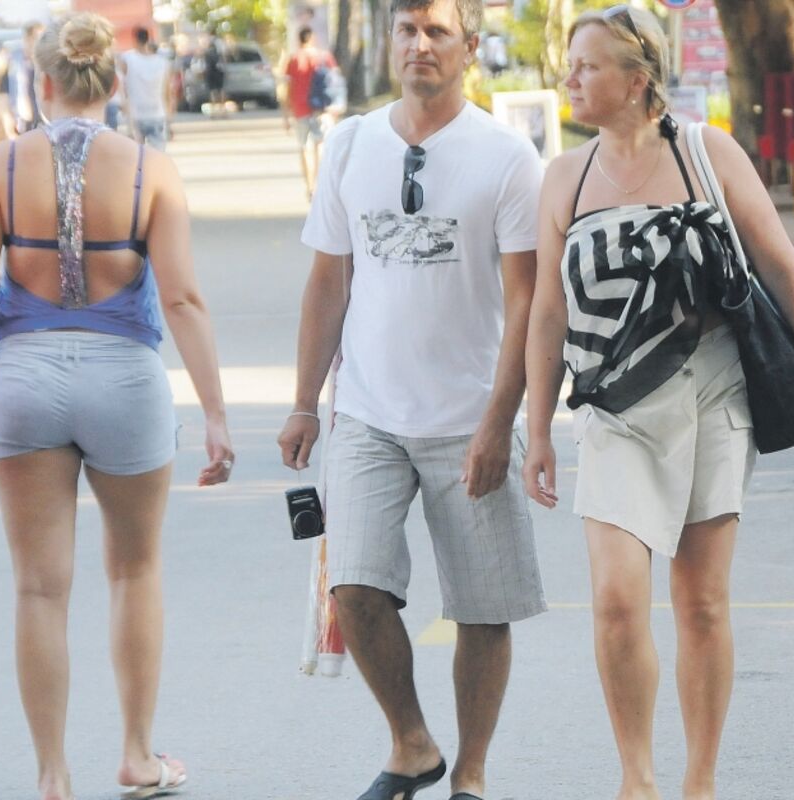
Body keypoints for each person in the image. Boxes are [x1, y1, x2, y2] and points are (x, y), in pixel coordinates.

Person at [522, 8, 794, 800]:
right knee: (615, 601)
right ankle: (636, 779)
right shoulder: (565, 177)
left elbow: (782, 265)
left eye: (588, 66)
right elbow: (546, 310)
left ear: (638, 80)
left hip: (712, 395)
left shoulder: (708, 153)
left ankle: (699, 782)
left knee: (700, 603)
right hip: (613, 408)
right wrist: (536, 431)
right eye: (571, 65)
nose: (570, 79)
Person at [276, 0, 545, 796]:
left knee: (481, 607)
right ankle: (412, 745)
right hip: (368, 414)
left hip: (471, 417)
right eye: (407, 29)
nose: (419, 44)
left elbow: (526, 303)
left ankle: (471, 774)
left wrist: (501, 421)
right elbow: (329, 279)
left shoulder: (506, 157)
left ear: (469, 47)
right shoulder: (351, 143)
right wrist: (303, 400)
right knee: (353, 586)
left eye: (437, 32)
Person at [0, 13, 233, 800]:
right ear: (114, 82)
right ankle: (138, 756)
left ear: (41, 80)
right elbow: (182, 299)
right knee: (135, 570)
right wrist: (215, 416)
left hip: (24, 380)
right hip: (125, 381)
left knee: (38, 587)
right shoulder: (151, 170)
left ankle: (52, 775)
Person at [283, 26, 338, 199]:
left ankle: (310, 187)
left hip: (300, 109)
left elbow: (287, 87)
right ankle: (320, 185)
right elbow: (335, 82)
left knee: (304, 147)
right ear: (312, 38)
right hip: (322, 108)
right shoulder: (324, 57)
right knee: (320, 145)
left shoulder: (294, 59)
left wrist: (286, 114)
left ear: (299, 39)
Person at [121, 27, 172, 149]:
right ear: (148, 39)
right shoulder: (162, 62)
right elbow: (167, 91)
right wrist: (169, 118)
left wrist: (124, 108)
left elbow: (123, 87)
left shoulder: (127, 59)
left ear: (134, 39)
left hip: (136, 114)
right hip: (157, 113)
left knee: (137, 156)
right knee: (158, 154)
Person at [7, 22, 45, 134]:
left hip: (42, 116)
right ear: (27, 39)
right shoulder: (15, 59)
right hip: (21, 117)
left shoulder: (45, 62)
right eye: (37, 38)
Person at [202, 31, 226, 117]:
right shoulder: (220, 43)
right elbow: (224, 57)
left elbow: (204, 63)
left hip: (210, 71)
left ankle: (213, 111)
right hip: (219, 70)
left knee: (212, 91)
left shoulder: (207, 48)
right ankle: (222, 110)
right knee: (221, 90)